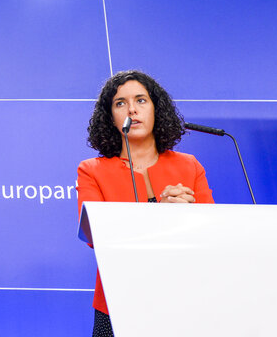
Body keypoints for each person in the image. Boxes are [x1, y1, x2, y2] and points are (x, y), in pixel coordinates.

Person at [77, 70, 214, 337]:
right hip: (117, 303)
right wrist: (162, 216)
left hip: (184, 300)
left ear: (156, 109)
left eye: (141, 100)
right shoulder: (91, 170)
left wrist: (191, 216)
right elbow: (96, 235)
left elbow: (211, 231)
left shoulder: (190, 166)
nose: (132, 109)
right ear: (111, 118)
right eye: (120, 103)